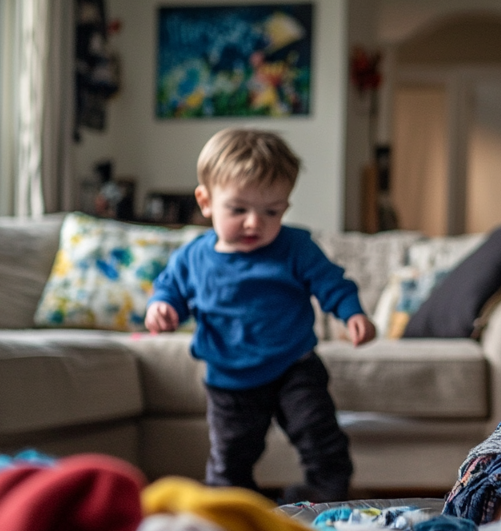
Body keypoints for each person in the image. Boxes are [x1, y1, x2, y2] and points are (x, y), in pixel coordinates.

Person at [145, 128, 376, 502]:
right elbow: (169, 290)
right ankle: (235, 512)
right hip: (228, 378)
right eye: (238, 210)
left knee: (322, 441)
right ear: (205, 201)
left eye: (272, 211)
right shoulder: (193, 258)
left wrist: (352, 313)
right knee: (230, 460)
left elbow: (331, 282)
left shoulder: (295, 247)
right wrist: (163, 308)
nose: (255, 223)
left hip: (294, 367)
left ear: (285, 206)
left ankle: (321, 502)